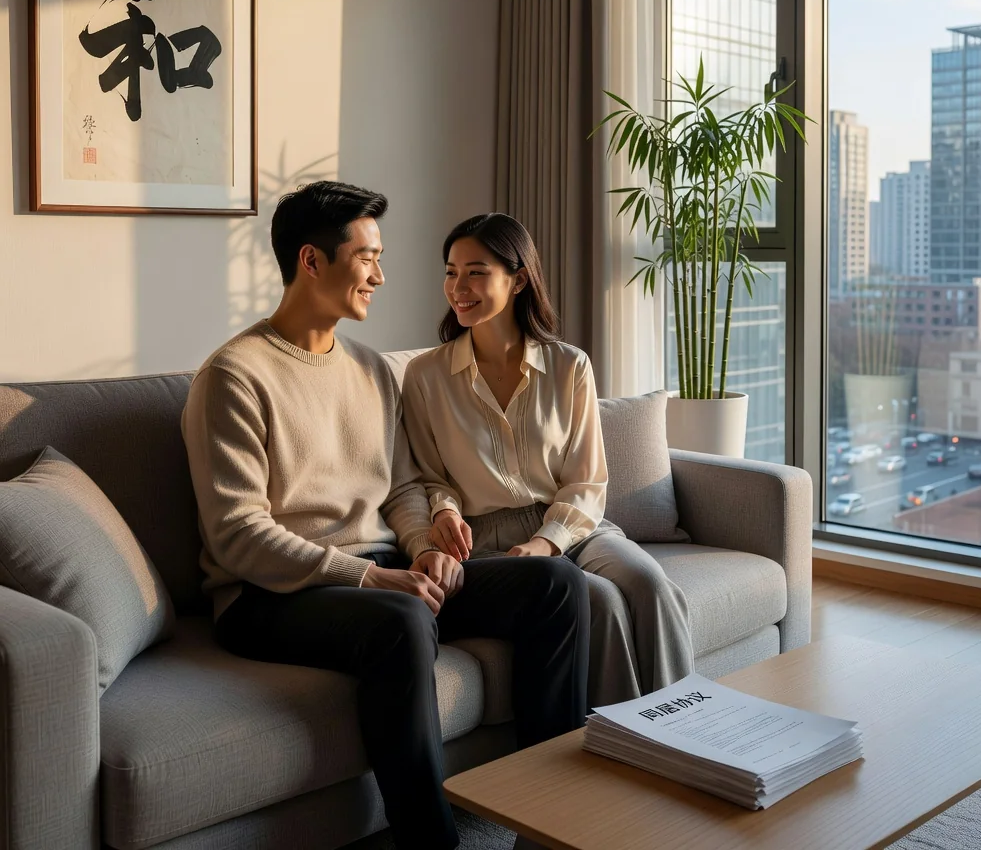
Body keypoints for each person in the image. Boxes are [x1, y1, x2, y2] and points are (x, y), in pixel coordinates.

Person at [181, 183, 589, 850]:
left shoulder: (372, 370)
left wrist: (426, 544)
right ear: (313, 261)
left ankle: (549, 826)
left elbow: (402, 488)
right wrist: (369, 578)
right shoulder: (234, 375)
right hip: (269, 597)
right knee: (401, 619)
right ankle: (431, 844)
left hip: (383, 574)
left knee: (555, 586)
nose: (381, 274)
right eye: (367, 256)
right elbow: (237, 536)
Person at [402, 213, 695, 709]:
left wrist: (545, 542)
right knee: (597, 601)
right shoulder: (426, 375)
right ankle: (620, 746)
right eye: (451, 272)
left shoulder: (568, 365)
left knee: (650, 584)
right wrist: (445, 511)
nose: (459, 287)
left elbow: (586, 481)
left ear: (518, 279)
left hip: (573, 525)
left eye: (476, 271)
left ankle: (684, 727)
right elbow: (429, 476)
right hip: (486, 539)